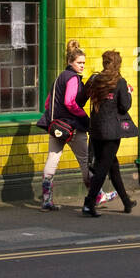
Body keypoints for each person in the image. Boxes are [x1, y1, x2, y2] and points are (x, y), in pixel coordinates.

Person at [38, 40, 116, 211]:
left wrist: (57, 118)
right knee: (84, 162)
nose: (82, 66)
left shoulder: (60, 77)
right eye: (79, 63)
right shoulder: (73, 78)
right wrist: (85, 117)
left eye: (83, 63)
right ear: (70, 62)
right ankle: (97, 195)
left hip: (57, 127)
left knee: (52, 159)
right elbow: (70, 102)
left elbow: (47, 104)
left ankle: (46, 200)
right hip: (73, 127)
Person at [81, 50, 136, 217]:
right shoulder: (120, 82)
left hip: (96, 130)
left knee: (113, 166)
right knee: (103, 169)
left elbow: (81, 98)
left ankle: (126, 201)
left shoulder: (94, 79)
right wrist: (129, 93)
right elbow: (124, 106)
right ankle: (89, 203)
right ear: (118, 64)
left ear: (104, 63)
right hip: (112, 132)